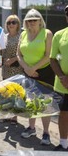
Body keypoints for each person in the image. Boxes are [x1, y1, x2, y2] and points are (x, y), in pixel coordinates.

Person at [17, 8, 54, 145]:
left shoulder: (47, 33)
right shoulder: (23, 34)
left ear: (40, 21)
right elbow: (18, 55)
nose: (31, 22)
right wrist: (27, 68)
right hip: (27, 71)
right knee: (30, 101)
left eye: (34, 20)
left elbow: (48, 55)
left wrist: (33, 68)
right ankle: (31, 128)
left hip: (45, 72)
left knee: (45, 103)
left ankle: (46, 133)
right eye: (29, 20)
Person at [50, 5, 68, 151]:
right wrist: (62, 77)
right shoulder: (59, 35)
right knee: (64, 114)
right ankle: (63, 144)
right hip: (64, 84)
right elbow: (53, 58)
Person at [0, 15, 23, 125]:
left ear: (18, 24)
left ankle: (14, 117)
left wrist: (13, 59)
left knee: (15, 92)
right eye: (9, 22)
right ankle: (7, 114)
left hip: (16, 68)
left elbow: (23, 54)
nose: (11, 25)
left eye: (13, 22)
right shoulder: (4, 37)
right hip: (5, 69)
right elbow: (2, 52)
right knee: (6, 93)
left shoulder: (21, 37)